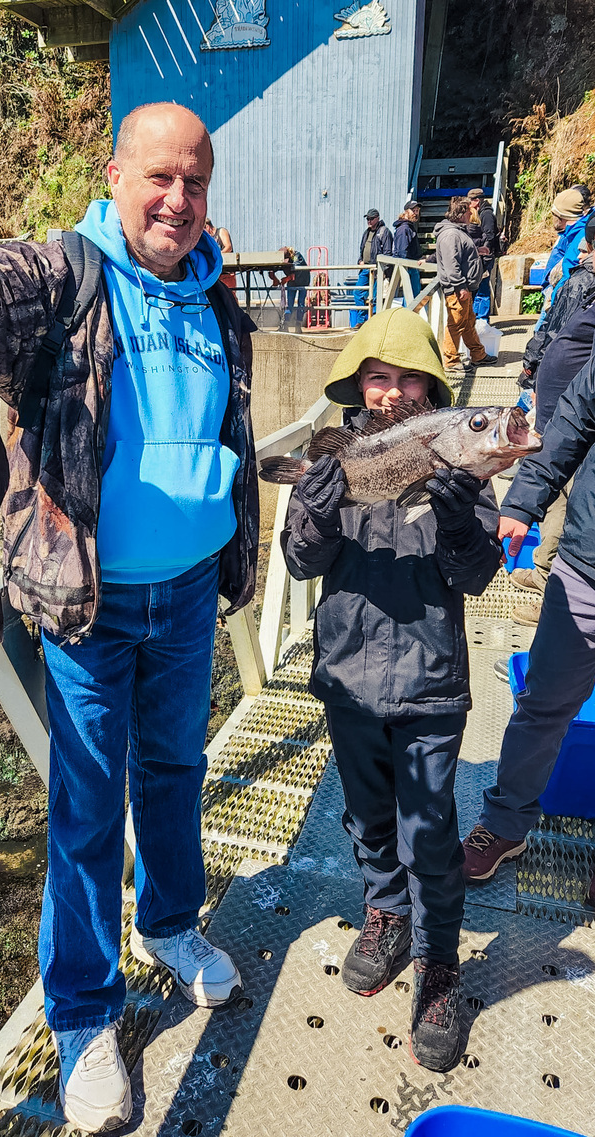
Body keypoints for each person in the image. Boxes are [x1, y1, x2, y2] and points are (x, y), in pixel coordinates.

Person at [0, 104, 259, 1131]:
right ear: (113, 176)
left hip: (190, 588)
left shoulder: (212, 294)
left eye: (194, 182)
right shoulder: (65, 278)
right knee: (86, 808)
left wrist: (235, 551)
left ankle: (168, 925)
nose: (176, 200)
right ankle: (82, 1019)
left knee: (175, 770)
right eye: (158, 177)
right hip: (90, 601)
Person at [282, 308, 501, 1071]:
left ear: (431, 391)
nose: (391, 391)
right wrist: (311, 514)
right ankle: (384, 912)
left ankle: (440, 961)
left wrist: (461, 525)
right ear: (359, 385)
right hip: (346, 677)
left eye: (408, 378)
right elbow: (301, 561)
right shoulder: (338, 456)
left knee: (430, 832)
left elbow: (476, 576)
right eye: (378, 377)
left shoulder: (460, 459)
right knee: (367, 816)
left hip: (431, 686)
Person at [462, 348, 595, 886]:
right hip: (586, 567)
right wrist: (521, 504)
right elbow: (570, 424)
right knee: (542, 704)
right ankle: (505, 824)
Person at [503, 215, 595, 627]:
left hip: (567, 420)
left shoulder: (583, 282)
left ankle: (547, 582)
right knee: (556, 496)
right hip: (560, 410)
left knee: (569, 502)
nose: (580, 252)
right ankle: (545, 572)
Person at [434, 196, 497, 375]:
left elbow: (459, 254)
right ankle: (451, 360)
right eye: (469, 211)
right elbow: (451, 263)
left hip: (464, 287)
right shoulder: (450, 234)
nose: (471, 214)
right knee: (456, 324)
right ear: (461, 214)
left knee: (468, 322)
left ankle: (478, 354)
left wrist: (477, 251)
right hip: (457, 289)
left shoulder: (456, 232)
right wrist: (460, 286)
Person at [350, 208, 393, 328]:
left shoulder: (384, 232)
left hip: (378, 269)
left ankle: (374, 320)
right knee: (357, 292)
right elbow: (362, 250)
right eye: (367, 218)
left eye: (371, 219)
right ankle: (362, 320)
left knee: (375, 296)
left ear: (377, 218)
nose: (369, 221)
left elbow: (388, 252)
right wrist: (360, 261)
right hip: (365, 269)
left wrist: (383, 269)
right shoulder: (366, 233)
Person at [466, 189, 497, 321]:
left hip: (486, 257)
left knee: (483, 287)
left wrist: (485, 252)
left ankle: (482, 319)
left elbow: (489, 235)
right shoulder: (483, 212)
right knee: (479, 287)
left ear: (477, 201)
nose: (468, 204)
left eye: (470, 201)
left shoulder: (486, 214)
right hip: (483, 256)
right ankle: (477, 317)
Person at [269, 246, 310, 332]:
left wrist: (287, 278)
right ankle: (285, 324)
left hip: (303, 280)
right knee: (289, 303)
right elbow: (273, 268)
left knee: (301, 303)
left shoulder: (296, 256)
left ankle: (298, 325)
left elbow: (296, 269)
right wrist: (273, 277)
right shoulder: (282, 258)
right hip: (292, 281)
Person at [392, 200, 422, 300]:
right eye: (413, 210)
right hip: (409, 266)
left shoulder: (409, 227)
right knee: (412, 297)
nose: (415, 213)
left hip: (412, 265)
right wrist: (405, 267)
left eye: (417, 210)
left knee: (413, 297)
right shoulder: (404, 228)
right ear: (406, 212)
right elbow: (401, 251)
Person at [205, 217, 236, 290]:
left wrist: (217, 256)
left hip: (226, 272)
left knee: (230, 295)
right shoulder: (208, 239)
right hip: (215, 272)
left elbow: (228, 247)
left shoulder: (221, 231)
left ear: (207, 227)